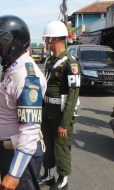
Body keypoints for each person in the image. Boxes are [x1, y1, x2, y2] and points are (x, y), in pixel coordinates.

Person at [0, 15, 47, 190]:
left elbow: (30, 131)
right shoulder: (12, 68)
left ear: (10, 44)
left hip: (22, 154)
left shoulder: (27, 78)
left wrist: (14, 173)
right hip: (9, 149)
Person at [38, 21, 81, 190]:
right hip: (48, 110)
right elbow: (45, 87)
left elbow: (73, 95)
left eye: (47, 39)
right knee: (46, 144)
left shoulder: (71, 63)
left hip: (62, 112)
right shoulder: (50, 60)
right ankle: (48, 174)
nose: (46, 42)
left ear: (55, 39)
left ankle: (63, 178)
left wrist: (64, 123)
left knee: (61, 147)